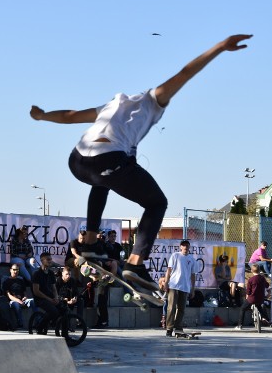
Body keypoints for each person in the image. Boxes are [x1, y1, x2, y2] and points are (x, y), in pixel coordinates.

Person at [30, 34, 253, 289]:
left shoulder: (108, 107)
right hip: (108, 159)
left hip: (77, 160)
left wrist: (41, 115)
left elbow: (69, 116)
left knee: (103, 182)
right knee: (157, 202)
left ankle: (89, 243)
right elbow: (184, 73)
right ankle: (135, 263)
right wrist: (220, 47)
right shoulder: (154, 100)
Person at [161, 240, 198, 337]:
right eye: (184, 245)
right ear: (180, 247)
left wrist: (193, 289)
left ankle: (178, 328)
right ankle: (169, 328)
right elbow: (169, 270)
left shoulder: (192, 259)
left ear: (189, 247)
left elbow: (193, 275)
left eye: (187, 246)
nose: (185, 247)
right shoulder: (175, 256)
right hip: (174, 285)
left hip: (185, 287)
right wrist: (166, 283)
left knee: (181, 309)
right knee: (171, 308)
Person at [32, 252, 60, 333]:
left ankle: (65, 335)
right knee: (54, 311)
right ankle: (40, 327)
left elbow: (54, 288)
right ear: (42, 261)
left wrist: (56, 298)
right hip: (40, 299)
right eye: (48, 259)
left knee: (64, 309)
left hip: (50, 297)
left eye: (50, 259)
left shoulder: (51, 273)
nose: (50, 261)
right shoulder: (36, 273)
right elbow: (36, 291)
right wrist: (50, 300)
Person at [234, 264, 269, 330]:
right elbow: (267, 285)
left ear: (251, 271)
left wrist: (247, 296)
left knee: (243, 308)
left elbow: (248, 291)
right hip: (261, 298)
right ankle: (263, 317)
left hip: (252, 298)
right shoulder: (262, 278)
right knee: (259, 306)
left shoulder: (251, 280)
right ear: (259, 270)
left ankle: (240, 325)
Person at [3, 263, 35, 330]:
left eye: (17, 270)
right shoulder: (6, 281)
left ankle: (38, 322)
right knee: (16, 305)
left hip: (23, 300)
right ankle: (20, 324)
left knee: (33, 301)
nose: (16, 271)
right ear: (10, 270)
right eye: (14, 270)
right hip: (13, 301)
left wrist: (25, 297)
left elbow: (24, 292)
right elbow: (9, 295)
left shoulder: (21, 280)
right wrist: (18, 301)